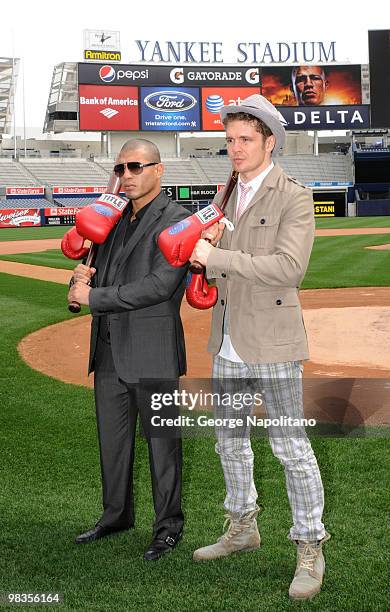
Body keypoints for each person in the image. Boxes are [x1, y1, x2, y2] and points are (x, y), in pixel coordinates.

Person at [189, 94, 330, 600]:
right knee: (229, 441)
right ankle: (242, 527)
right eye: (229, 140)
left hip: (272, 342)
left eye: (245, 139)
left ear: (270, 142)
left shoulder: (293, 195)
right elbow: (218, 257)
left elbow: (289, 270)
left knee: (290, 448)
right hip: (227, 339)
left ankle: (310, 548)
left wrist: (218, 257)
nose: (235, 148)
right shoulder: (225, 191)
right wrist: (203, 263)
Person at [68, 138, 190, 561]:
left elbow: (160, 287)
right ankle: (116, 514)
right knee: (113, 443)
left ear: (159, 170)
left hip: (152, 351)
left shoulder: (178, 219)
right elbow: (97, 274)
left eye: (136, 166)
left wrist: (94, 298)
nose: (127, 176)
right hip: (107, 352)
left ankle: (168, 527)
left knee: (162, 446)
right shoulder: (113, 218)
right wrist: (79, 281)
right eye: (120, 169)